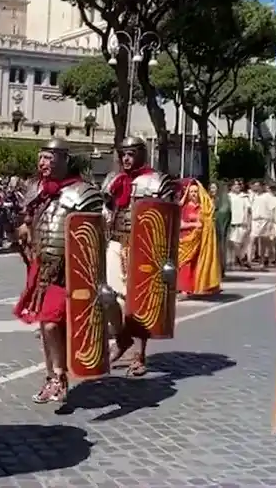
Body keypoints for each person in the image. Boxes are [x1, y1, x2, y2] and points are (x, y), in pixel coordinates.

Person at [15, 138, 105, 401]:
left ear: (63, 160)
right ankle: (54, 377)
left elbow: (93, 237)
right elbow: (28, 218)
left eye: (48, 157)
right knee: (46, 325)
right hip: (42, 268)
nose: (42, 163)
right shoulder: (36, 189)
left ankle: (59, 375)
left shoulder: (83, 193)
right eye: (41, 157)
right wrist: (24, 227)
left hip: (69, 271)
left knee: (52, 323)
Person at [102, 136, 178, 377]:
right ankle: (123, 338)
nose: (126, 158)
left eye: (131, 153)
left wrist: (165, 257)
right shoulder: (112, 180)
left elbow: (167, 220)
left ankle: (140, 353)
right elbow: (106, 211)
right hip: (116, 242)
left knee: (141, 302)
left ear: (141, 155)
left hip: (144, 248)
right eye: (123, 153)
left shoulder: (158, 181)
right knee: (109, 297)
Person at [177, 179, 222, 297]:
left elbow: (208, 221)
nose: (193, 194)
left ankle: (197, 287)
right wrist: (194, 224)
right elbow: (180, 224)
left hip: (201, 240)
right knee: (186, 264)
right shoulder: (184, 208)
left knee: (198, 264)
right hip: (186, 240)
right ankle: (184, 289)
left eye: (196, 191)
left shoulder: (203, 208)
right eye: (191, 191)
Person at [228, 181, 251, 268]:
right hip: (231, 223)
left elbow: (249, 211)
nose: (237, 186)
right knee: (232, 243)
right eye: (235, 185)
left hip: (242, 223)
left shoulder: (244, 197)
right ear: (231, 187)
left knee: (239, 243)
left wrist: (249, 223)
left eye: (238, 185)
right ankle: (238, 258)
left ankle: (240, 257)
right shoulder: (228, 197)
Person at [211, 181, 231, 278]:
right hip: (209, 229)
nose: (212, 190)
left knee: (220, 248)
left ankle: (220, 269)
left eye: (214, 188)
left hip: (219, 228)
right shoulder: (207, 198)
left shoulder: (223, 200)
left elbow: (225, 212)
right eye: (211, 188)